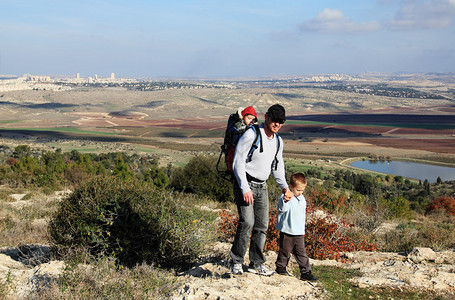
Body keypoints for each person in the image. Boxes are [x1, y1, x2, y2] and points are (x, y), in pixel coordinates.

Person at [230, 104, 293, 276]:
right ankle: (236, 261)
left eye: (281, 122)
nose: (277, 124)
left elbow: (277, 167)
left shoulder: (278, 141)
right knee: (247, 222)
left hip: (262, 186)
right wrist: (244, 188)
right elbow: (238, 162)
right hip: (246, 184)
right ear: (267, 117)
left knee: (262, 225)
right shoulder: (252, 134)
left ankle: (256, 263)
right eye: (275, 120)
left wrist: (285, 187)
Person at [275, 172, 318, 282]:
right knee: (285, 250)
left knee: (301, 253)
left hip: (299, 232)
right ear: (291, 187)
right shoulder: (286, 197)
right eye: (298, 190)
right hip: (287, 230)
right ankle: (280, 267)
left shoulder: (302, 198)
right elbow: (281, 209)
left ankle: (306, 272)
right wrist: (285, 200)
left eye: (302, 190)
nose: (300, 193)